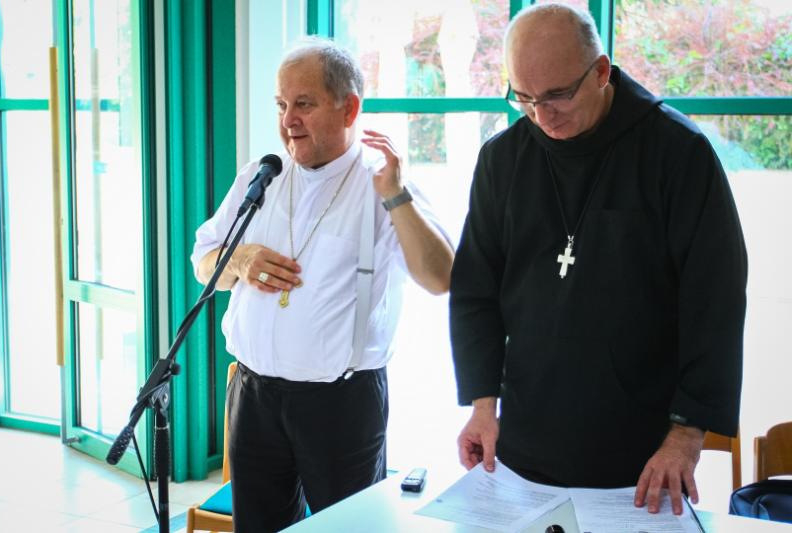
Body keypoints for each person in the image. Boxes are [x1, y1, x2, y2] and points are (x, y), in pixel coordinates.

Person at [449, 3, 747, 517]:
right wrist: (482, 404)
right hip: (524, 441)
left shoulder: (677, 152)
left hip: (643, 453)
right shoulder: (503, 159)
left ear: (602, 71)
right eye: (524, 98)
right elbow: (475, 290)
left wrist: (686, 436)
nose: (542, 115)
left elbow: (714, 301)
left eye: (557, 95)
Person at [191, 38, 453, 532]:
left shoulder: (382, 183)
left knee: (346, 529)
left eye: (304, 104)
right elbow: (203, 264)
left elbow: (441, 277)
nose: (288, 120)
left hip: (340, 404)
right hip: (253, 394)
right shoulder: (262, 175)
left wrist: (396, 196)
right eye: (281, 105)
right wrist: (240, 260)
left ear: (348, 107)